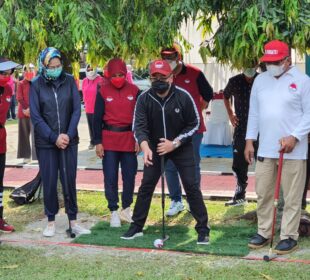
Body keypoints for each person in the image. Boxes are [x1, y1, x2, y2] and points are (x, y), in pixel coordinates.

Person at [121, 59, 210, 244]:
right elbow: (139, 126)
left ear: (171, 77)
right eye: (154, 76)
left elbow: (194, 123)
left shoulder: (183, 96)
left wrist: (175, 143)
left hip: (180, 146)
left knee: (191, 185)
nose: (158, 79)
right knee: (146, 186)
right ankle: (136, 227)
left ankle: (203, 228)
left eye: (163, 76)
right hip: (154, 147)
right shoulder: (144, 98)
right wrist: (144, 146)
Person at [245, 40, 310, 254]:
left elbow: (309, 114)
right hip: (265, 149)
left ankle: (289, 235)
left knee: (291, 195)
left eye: (275, 61)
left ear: (287, 60)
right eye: (268, 61)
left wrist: (295, 137)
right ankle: (264, 232)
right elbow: (254, 113)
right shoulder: (260, 81)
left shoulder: (302, 81)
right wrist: (249, 140)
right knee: (263, 192)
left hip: (293, 150)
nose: (271, 65)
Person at [30, 47, 91, 237]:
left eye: (58, 66)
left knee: (69, 180)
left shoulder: (69, 80)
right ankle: (50, 221)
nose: (55, 69)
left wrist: (68, 134)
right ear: (44, 65)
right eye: (52, 66)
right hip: (46, 143)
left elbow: (75, 109)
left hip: (68, 141)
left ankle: (73, 220)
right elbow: (36, 116)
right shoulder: (36, 84)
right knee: (49, 181)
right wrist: (53, 137)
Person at [160, 43, 213, 216]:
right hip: (169, 130)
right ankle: (176, 201)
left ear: (179, 57)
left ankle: (193, 200)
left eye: (171, 57)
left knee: (192, 164)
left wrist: (198, 108)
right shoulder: (161, 75)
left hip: (193, 130)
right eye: (165, 57)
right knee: (170, 166)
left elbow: (208, 93)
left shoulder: (194, 73)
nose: (168, 61)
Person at [93, 58, 140, 227]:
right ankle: (113, 210)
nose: (118, 78)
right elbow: (96, 119)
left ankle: (126, 209)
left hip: (129, 139)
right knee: (110, 177)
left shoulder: (135, 91)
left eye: (121, 74)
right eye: (114, 75)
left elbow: (140, 118)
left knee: (129, 176)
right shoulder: (102, 91)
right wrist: (97, 142)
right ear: (109, 75)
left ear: (126, 74)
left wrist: (139, 139)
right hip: (109, 140)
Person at [223, 65, 259, 206]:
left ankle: (265, 197)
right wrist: (231, 114)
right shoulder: (234, 81)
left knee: (264, 162)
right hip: (241, 128)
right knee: (239, 163)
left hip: (260, 128)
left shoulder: (262, 80)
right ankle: (240, 196)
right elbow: (225, 96)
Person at [0, 57, 19, 233]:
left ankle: (0, 218)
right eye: (2, 73)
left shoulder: (7, 89)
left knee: (0, 183)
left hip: (1, 139)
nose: (6, 76)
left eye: (9, 73)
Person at [16, 63, 37, 163]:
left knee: (36, 135)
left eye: (31, 69)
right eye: (27, 70)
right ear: (24, 72)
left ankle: (37, 156)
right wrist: (26, 109)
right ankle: (25, 156)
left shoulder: (37, 83)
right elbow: (19, 97)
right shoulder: (20, 83)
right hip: (23, 113)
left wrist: (32, 109)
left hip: (35, 112)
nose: (29, 72)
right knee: (24, 135)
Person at [82, 64, 103, 150]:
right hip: (88, 107)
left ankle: (100, 142)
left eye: (92, 69)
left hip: (98, 108)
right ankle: (92, 142)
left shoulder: (100, 80)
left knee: (99, 125)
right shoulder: (84, 81)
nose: (90, 71)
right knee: (91, 126)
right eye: (89, 69)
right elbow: (83, 93)